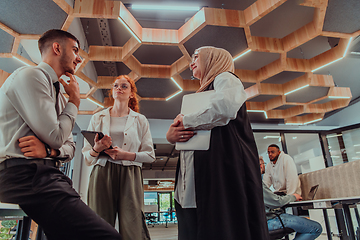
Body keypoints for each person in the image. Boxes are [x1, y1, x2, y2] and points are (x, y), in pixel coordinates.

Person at [0, 29, 122, 239]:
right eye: (75, 50)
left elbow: (69, 147)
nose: (78, 58)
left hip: (48, 176)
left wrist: (49, 151)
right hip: (22, 174)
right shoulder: (31, 76)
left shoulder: (60, 99)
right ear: (57, 48)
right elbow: (57, 137)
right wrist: (75, 100)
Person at [166, 46, 269, 240]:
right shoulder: (202, 94)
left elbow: (225, 108)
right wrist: (172, 136)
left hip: (219, 175)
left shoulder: (225, 78)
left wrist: (185, 121)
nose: (191, 62)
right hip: (196, 179)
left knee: (221, 225)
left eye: (197, 56)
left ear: (213, 58)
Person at [82, 75, 155, 240]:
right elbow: (87, 157)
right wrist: (97, 148)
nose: (119, 88)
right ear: (112, 92)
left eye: (124, 86)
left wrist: (125, 155)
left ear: (131, 93)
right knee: (99, 222)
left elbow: (150, 155)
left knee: (133, 226)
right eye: (115, 86)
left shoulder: (140, 120)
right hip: (102, 172)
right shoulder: (97, 117)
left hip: (130, 173)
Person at [260, 158, 322, 239]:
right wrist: (293, 196)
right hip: (270, 220)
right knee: (316, 228)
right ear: (261, 166)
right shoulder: (257, 183)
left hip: (260, 222)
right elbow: (276, 202)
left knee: (302, 223)